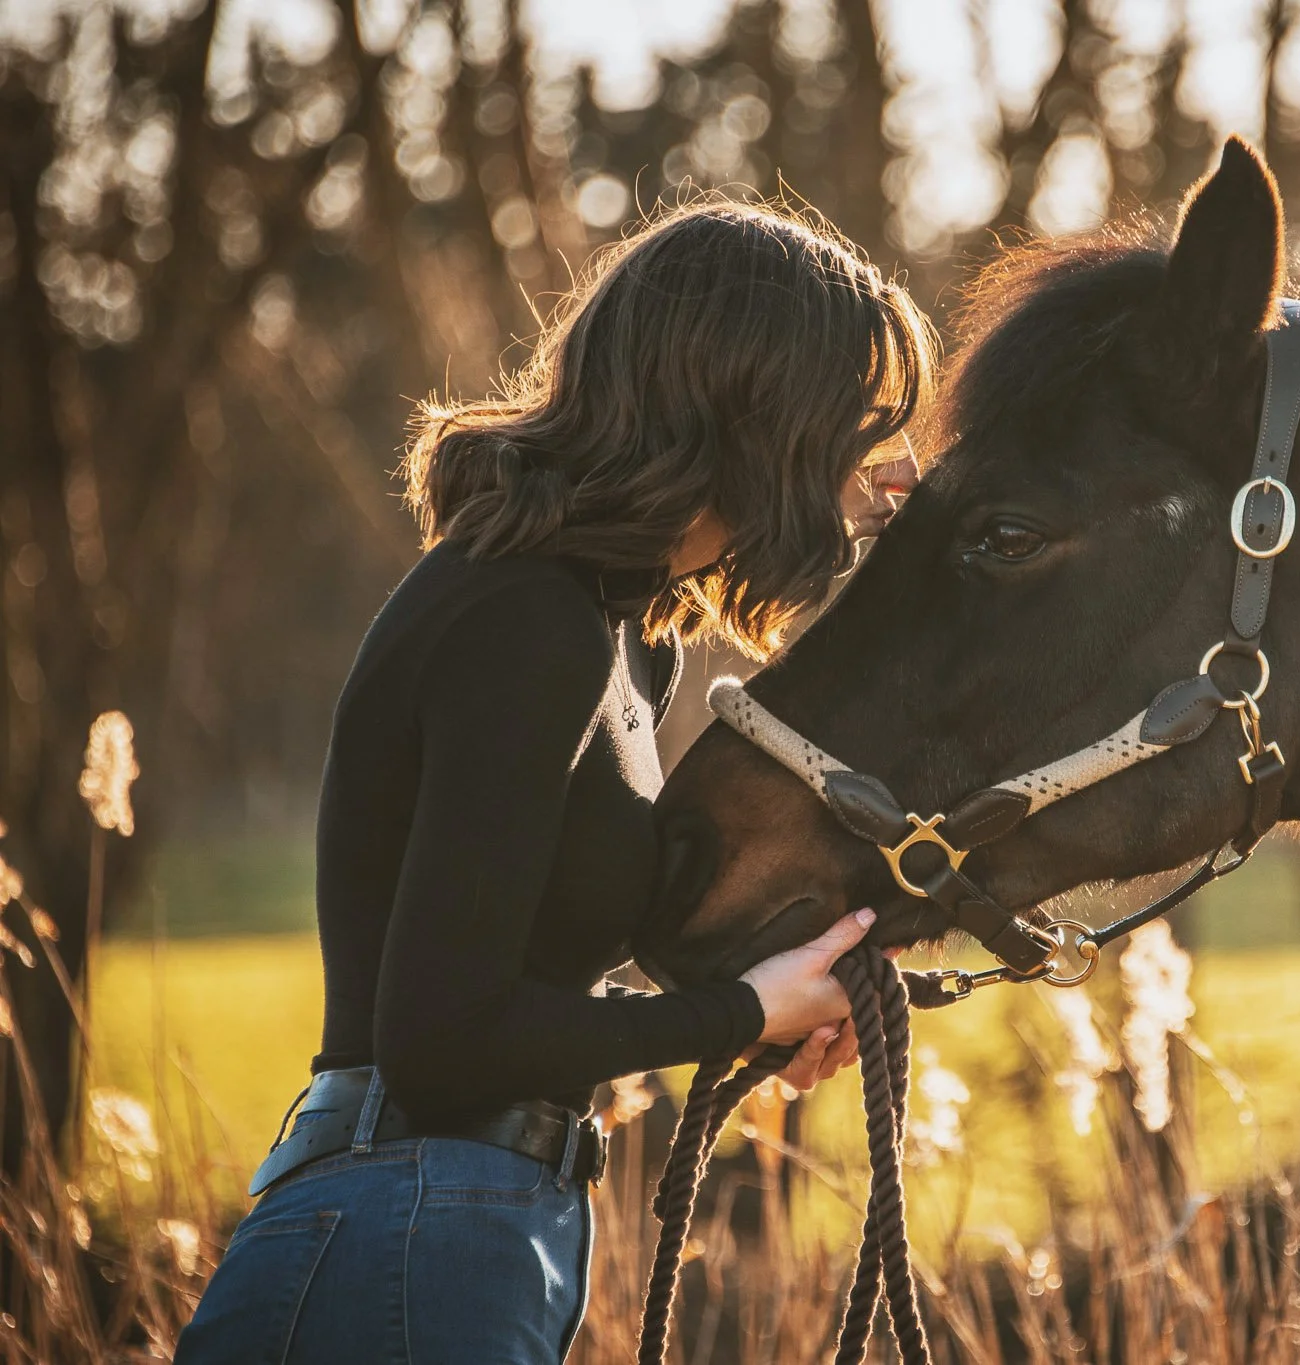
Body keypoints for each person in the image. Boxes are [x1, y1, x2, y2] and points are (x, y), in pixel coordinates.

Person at [176, 200, 934, 1364]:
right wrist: (740, 1012)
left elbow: (512, 978)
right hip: (407, 1223)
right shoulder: (526, 620)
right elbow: (438, 1041)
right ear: (756, 411)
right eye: (856, 425)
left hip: (468, 1221)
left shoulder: (625, 635)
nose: (886, 469)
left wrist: (777, 994)